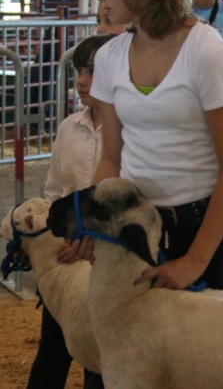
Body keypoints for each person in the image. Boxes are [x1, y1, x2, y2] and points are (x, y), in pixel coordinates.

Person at [67, 0, 223, 294]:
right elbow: (110, 158)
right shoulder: (110, 58)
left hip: (208, 236)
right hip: (139, 230)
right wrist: (91, 221)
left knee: (213, 350)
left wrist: (194, 262)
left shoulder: (205, 50)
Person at [26, 34, 118, 389]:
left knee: (99, 360)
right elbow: (54, 194)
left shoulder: (128, 131)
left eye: (92, 71)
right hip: (66, 259)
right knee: (52, 350)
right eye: (80, 70)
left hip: (107, 259)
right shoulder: (68, 129)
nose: (81, 80)